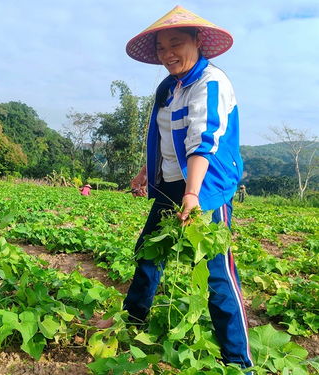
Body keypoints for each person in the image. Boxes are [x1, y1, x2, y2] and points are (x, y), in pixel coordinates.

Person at [99, 5, 253, 371]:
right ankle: (132, 322)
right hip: (171, 183)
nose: (168, 54)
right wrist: (145, 172)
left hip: (205, 187)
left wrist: (193, 194)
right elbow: (165, 138)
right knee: (149, 253)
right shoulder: (169, 87)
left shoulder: (210, 82)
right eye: (162, 48)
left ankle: (238, 361)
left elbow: (203, 141)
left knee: (217, 272)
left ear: (198, 41)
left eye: (176, 44)